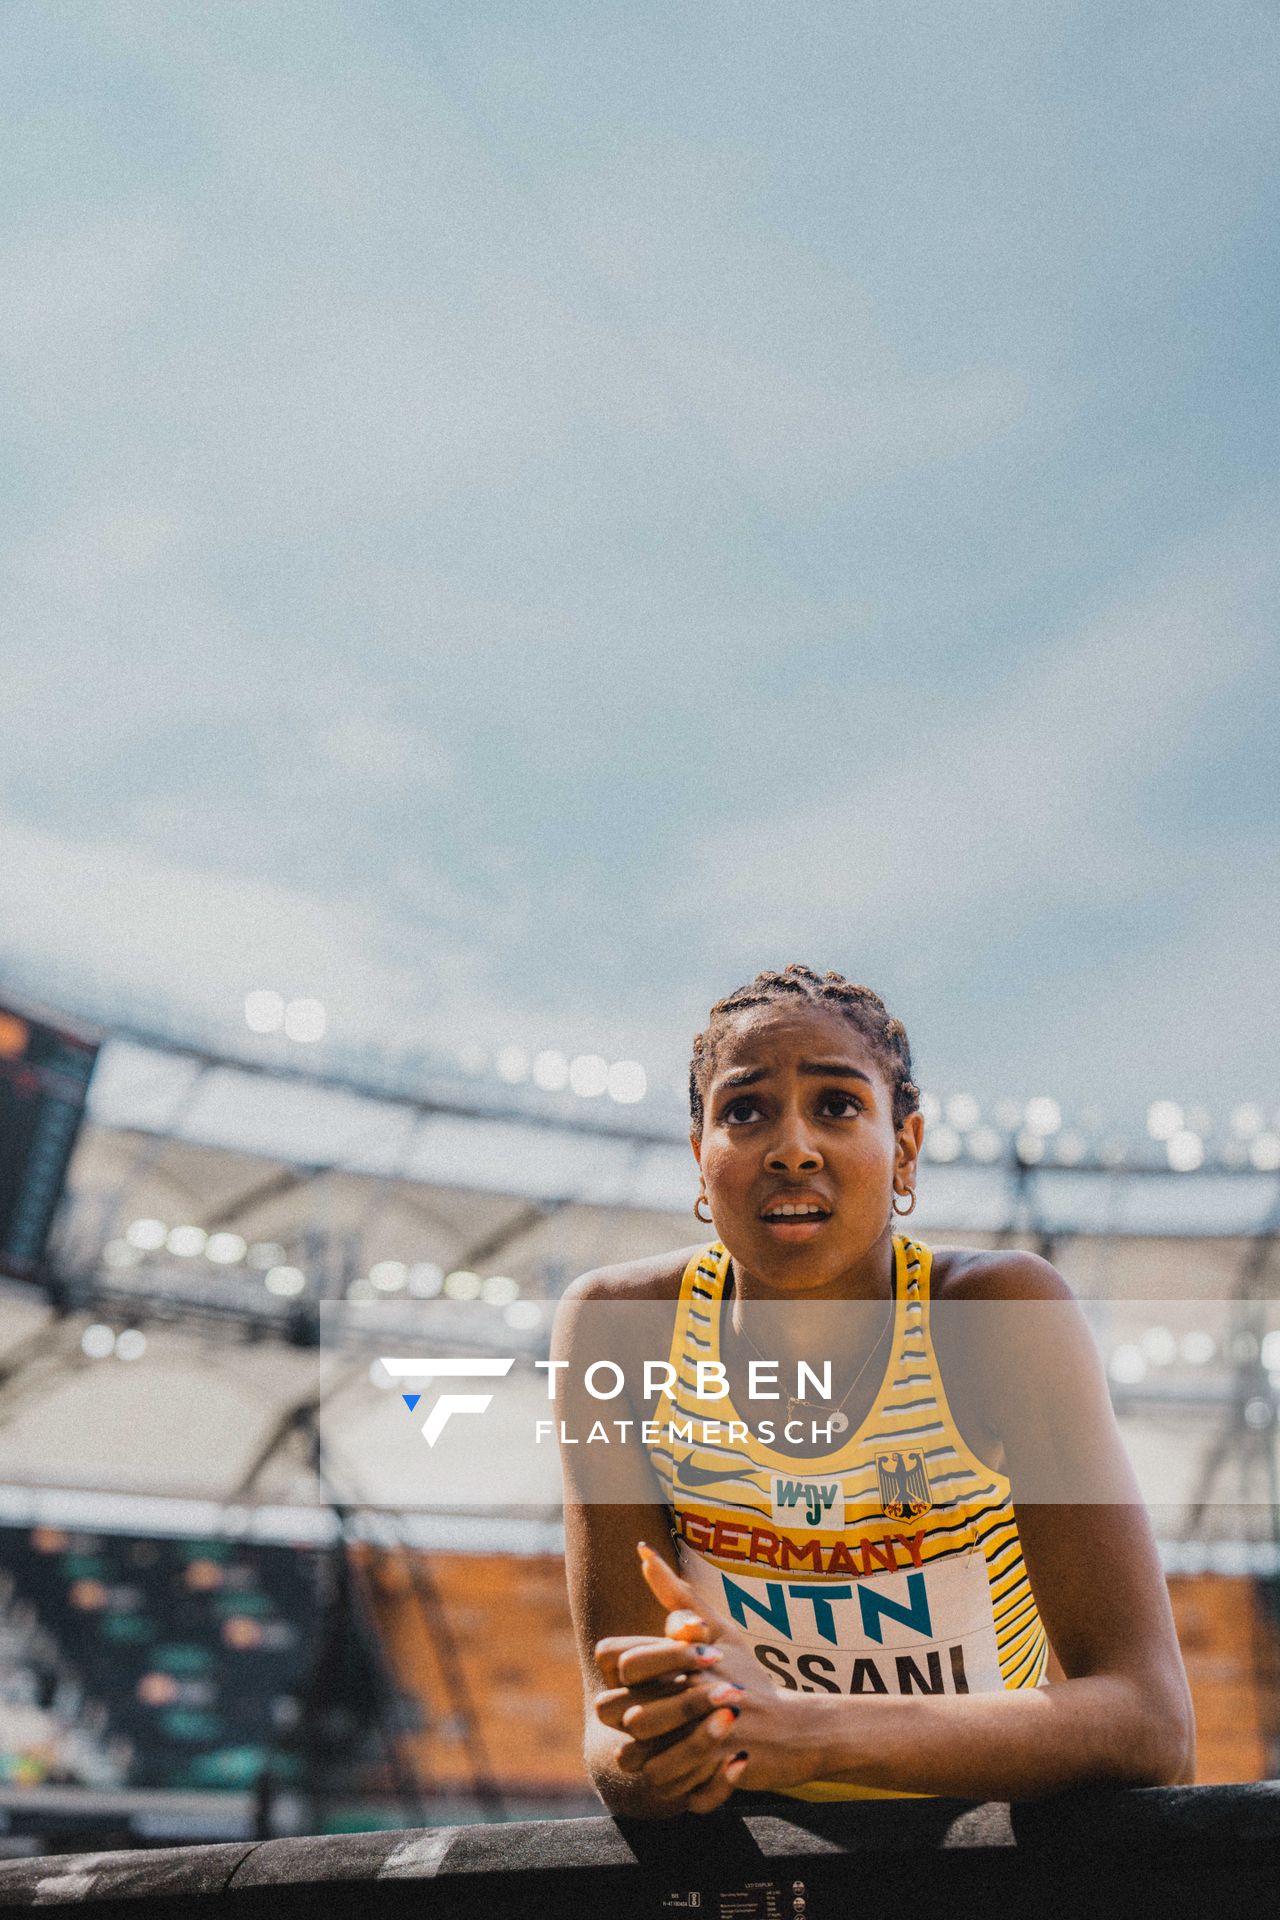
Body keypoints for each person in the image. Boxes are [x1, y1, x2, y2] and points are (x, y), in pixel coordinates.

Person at [554, 965, 1193, 1816]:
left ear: (905, 1148)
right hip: (762, 1865)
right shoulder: (616, 1330)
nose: (791, 1148)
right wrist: (681, 1731)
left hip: (983, 1853)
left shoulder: (1000, 1313)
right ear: (699, 1159)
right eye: (744, 1111)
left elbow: (1151, 1724)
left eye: (837, 1105)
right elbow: (613, 1740)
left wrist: (807, 1731)